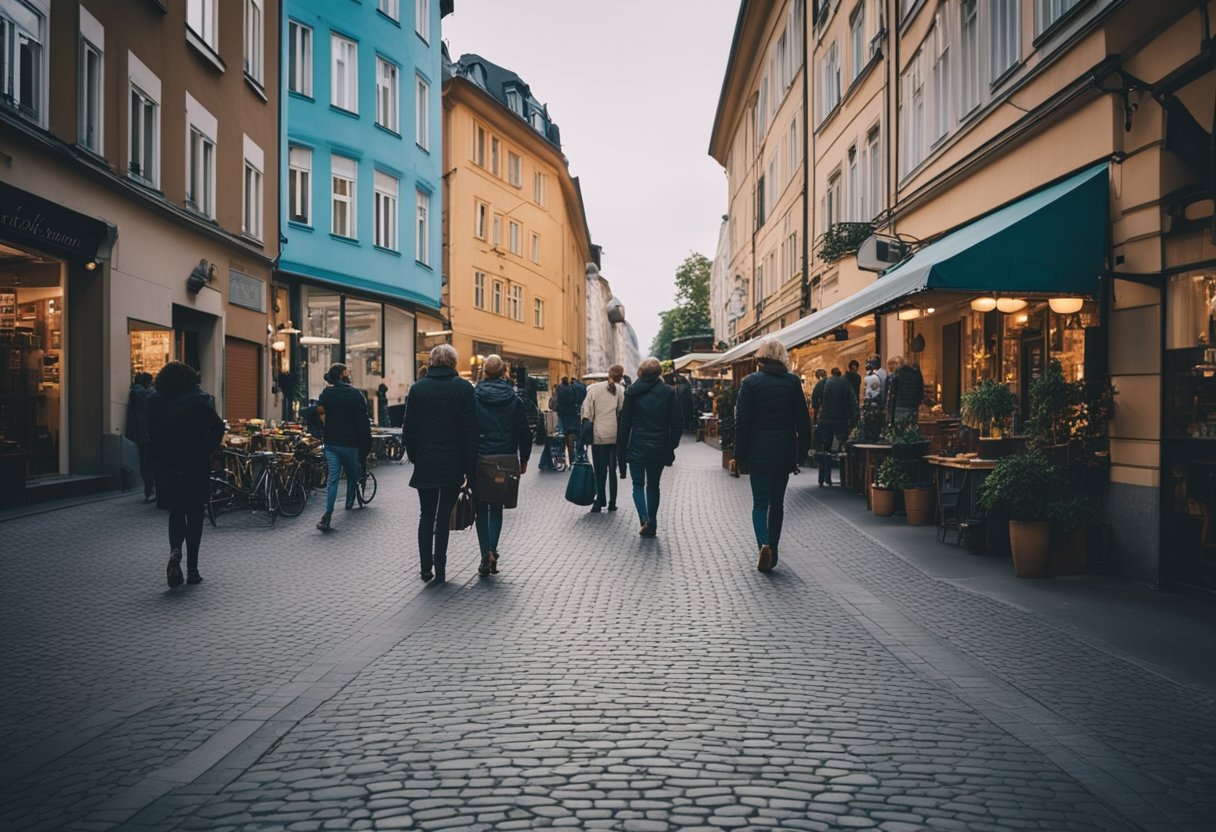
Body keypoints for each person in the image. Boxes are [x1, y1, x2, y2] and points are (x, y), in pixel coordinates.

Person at [733, 338, 814, 572]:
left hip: (757, 450)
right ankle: (774, 548)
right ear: (782, 356)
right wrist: (801, 452)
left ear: (761, 356)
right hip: (783, 451)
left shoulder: (750, 382)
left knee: (760, 502)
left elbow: (743, 421)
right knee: (777, 503)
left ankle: (763, 546)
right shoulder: (792, 382)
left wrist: (739, 454)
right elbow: (803, 421)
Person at [403, 344, 477, 584]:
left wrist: (416, 456)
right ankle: (441, 566)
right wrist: (468, 466)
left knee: (426, 515)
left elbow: (409, 430)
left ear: (433, 362)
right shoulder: (464, 389)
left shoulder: (418, 389)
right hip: (453, 463)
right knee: (443, 516)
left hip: (426, 461)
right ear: (453, 363)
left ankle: (425, 568)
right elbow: (470, 431)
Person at [148, 361, 224, 588]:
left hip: (167, 466)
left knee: (176, 512)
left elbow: (150, 433)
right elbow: (218, 427)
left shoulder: (156, 402)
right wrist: (208, 449)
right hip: (195, 463)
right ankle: (192, 570)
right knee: (195, 514)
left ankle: (174, 551)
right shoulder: (200, 400)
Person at [472, 355, 531, 577]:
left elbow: (468, 430)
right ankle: (493, 551)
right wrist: (523, 458)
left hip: (481, 458)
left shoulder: (475, 397)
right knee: (496, 507)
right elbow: (523, 431)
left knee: (480, 508)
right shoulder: (514, 399)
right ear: (504, 371)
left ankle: (484, 553)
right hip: (506, 458)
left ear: (484, 372)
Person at [617, 357, 682, 538]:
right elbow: (677, 422)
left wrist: (621, 449)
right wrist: (671, 446)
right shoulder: (669, 392)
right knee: (653, 485)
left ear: (640, 373)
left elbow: (624, 424)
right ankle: (652, 521)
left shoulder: (631, 392)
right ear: (659, 372)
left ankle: (644, 520)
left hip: (637, 445)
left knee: (638, 484)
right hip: (659, 446)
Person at [315, 363, 372, 531]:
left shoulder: (327, 394)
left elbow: (319, 411)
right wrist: (365, 443)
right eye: (347, 372)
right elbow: (362, 422)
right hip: (350, 445)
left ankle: (328, 513)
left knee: (332, 479)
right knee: (352, 475)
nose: (350, 374)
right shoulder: (356, 395)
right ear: (342, 375)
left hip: (332, 443)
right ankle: (349, 500)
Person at [582, 363, 625, 513]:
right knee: (612, 470)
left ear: (609, 373)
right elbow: (621, 413)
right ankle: (612, 502)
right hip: (614, 435)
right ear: (620, 377)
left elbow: (587, 412)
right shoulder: (621, 390)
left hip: (598, 435)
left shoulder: (593, 389)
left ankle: (599, 500)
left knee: (599, 470)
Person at [816, 365, 858, 487]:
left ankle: (824, 478)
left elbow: (816, 399)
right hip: (841, 420)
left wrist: (818, 416)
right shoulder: (845, 383)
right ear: (840, 374)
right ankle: (843, 479)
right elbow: (852, 400)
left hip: (826, 420)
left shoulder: (824, 382)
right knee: (842, 450)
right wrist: (851, 417)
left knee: (826, 449)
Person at [125, 372, 157, 502]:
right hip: (150, 433)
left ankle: (149, 491)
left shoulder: (134, 392)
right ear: (148, 382)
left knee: (145, 463)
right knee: (152, 463)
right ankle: (153, 490)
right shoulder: (150, 394)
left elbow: (132, 416)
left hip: (141, 434)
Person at [888, 355, 925, 424]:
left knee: (899, 430)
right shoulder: (916, 375)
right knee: (911, 429)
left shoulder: (898, 375)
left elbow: (893, 394)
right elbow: (920, 391)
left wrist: (890, 415)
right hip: (912, 406)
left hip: (900, 406)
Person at [553, 376, 580, 463]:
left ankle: (561, 458)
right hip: (572, 416)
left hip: (562, 415)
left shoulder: (559, 389)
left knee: (561, 438)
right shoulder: (572, 389)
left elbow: (555, 402)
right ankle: (573, 458)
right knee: (571, 439)